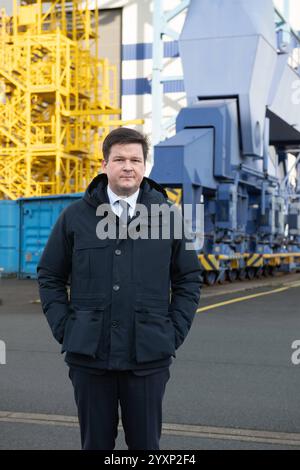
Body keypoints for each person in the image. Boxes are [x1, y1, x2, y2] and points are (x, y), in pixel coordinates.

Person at [37, 127, 202, 450]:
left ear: (145, 166)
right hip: (90, 358)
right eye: (120, 159)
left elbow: (188, 279)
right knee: (95, 446)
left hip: (148, 359)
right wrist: (66, 329)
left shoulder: (167, 216)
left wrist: (173, 332)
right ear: (104, 165)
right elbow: (50, 275)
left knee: (146, 447)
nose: (128, 166)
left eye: (136, 160)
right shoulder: (75, 217)